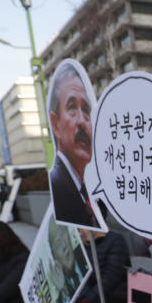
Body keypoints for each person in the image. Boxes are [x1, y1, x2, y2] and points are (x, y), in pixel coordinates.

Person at [48, 61, 97, 228]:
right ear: (56, 124)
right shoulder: (59, 187)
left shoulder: (88, 187)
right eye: (72, 108)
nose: (82, 121)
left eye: (86, 109)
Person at [66, 229, 130, 303]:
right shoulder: (83, 243)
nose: (79, 230)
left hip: (115, 294)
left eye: (81, 227)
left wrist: (88, 298)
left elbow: (111, 278)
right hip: (94, 291)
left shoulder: (115, 241)